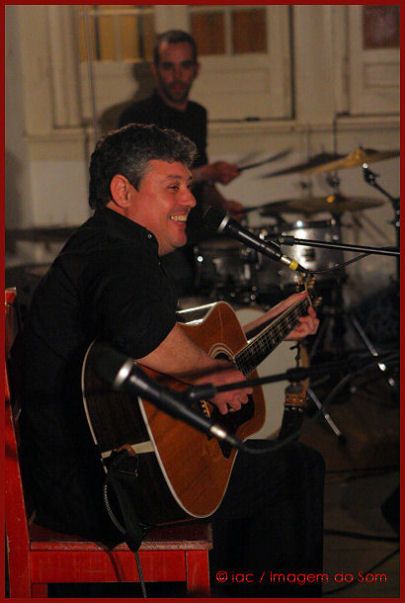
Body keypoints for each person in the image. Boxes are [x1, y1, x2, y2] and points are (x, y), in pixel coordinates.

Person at [15, 123, 324, 597]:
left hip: (83, 474)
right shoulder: (119, 254)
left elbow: (157, 337)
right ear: (123, 191)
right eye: (173, 186)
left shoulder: (107, 245)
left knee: (246, 470)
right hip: (101, 492)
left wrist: (271, 325)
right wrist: (212, 371)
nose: (190, 200)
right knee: (297, 469)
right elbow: (141, 333)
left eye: (189, 186)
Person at [118, 30, 244, 296]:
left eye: (185, 66)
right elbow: (143, 185)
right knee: (180, 278)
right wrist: (207, 172)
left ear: (196, 69)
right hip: (156, 233)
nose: (177, 76)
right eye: (168, 67)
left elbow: (203, 184)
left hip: (192, 224)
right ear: (155, 69)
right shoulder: (136, 117)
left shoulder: (197, 114)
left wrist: (222, 205)